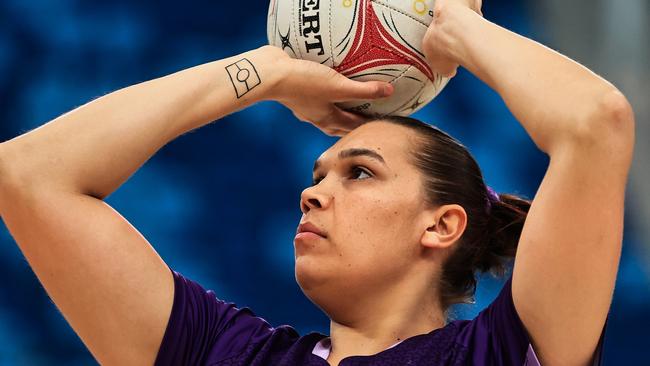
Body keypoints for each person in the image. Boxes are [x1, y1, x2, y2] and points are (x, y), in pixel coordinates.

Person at [0, 0, 634, 365]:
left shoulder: (500, 353)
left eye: (359, 173)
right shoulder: (227, 354)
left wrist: (452, 25)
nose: (312, 193)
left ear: (441, 225)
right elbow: (29, 175)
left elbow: (595, 123)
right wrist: (268, 72)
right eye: (318, 174)